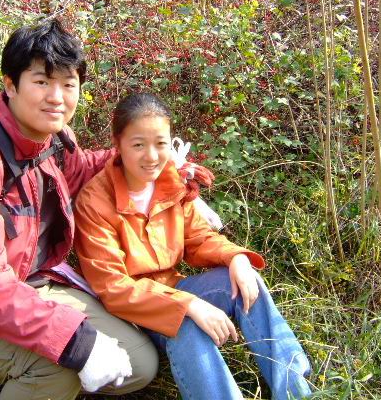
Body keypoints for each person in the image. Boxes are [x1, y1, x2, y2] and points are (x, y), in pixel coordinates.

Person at [0, 19, 158, 400]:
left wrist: (154, 163)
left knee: (139, 363)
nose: (57, 97)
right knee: (59, 362)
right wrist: (75, 343)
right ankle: (43, 381)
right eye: (41, 82)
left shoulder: (54, 139)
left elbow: (83, 171)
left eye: (68, 84)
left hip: (30, 284)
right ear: (10, 85)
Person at [74, 93, 312, 400]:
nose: (151, 156)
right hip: (132, 314)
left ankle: (295, 391)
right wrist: (188, 305)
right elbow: (113, 287)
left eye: (160, 143)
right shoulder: (94, 202)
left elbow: (198, 239)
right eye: (138, 145)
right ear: (117, 143)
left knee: (244, 280)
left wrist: (235, 258)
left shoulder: (169, 182)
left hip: (174, 288)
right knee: (184, 324)